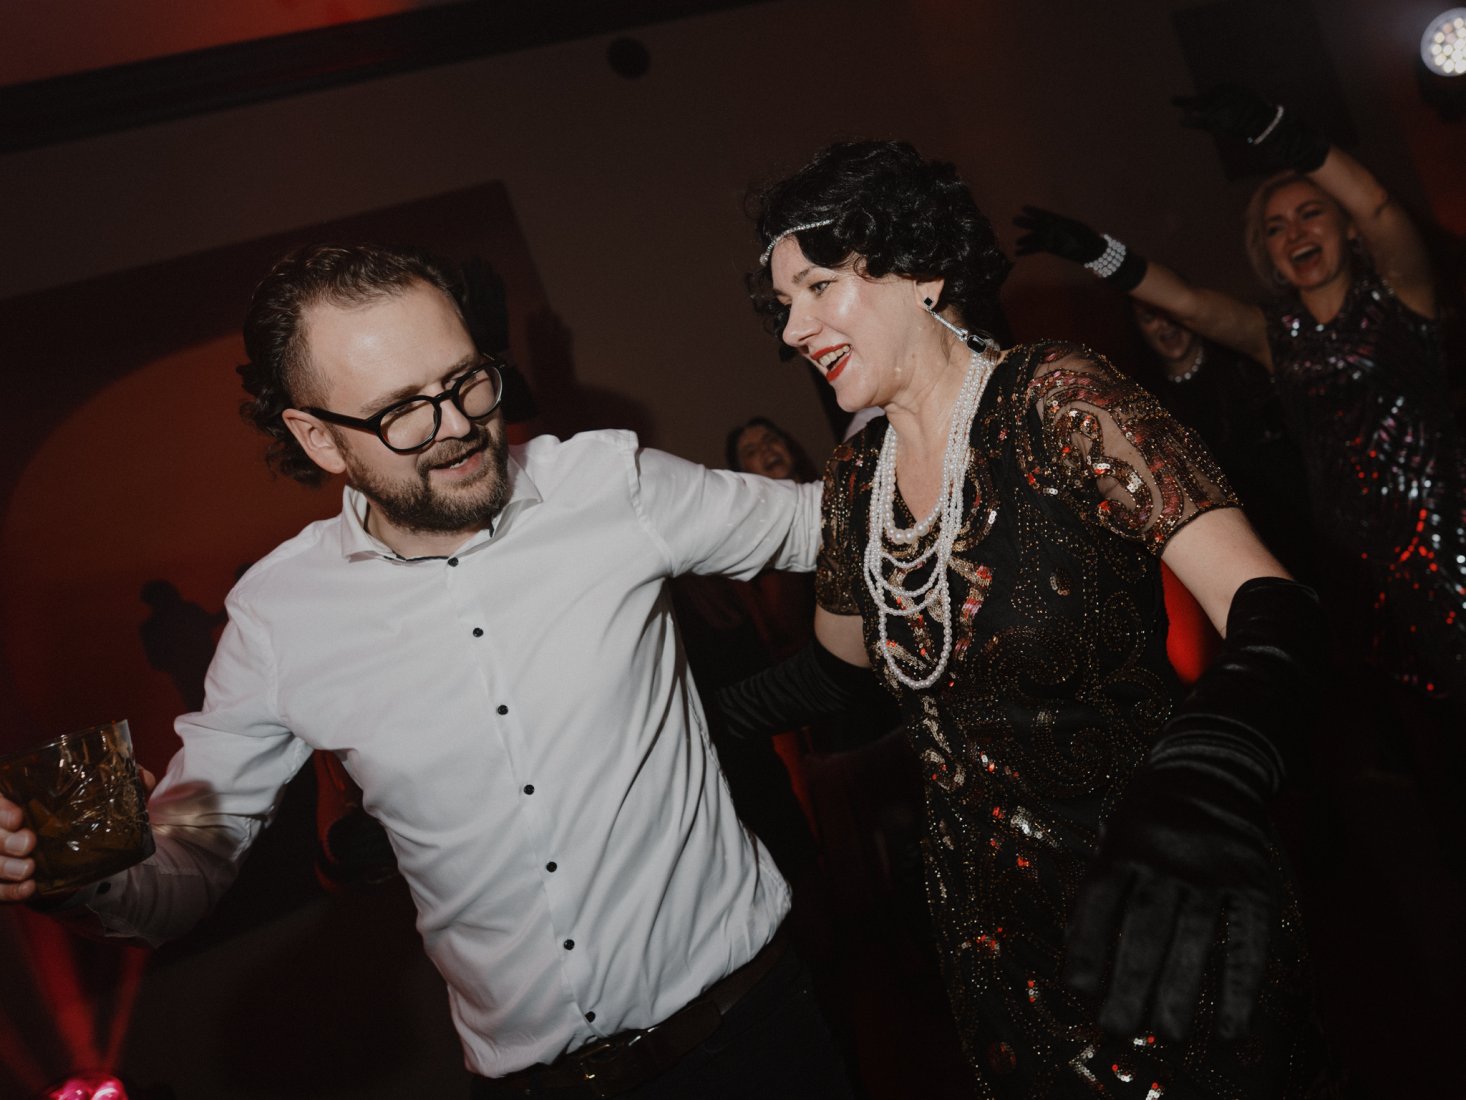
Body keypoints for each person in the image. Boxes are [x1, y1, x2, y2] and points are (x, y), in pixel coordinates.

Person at [0, 244, 855, 1099]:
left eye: (466, 380)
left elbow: (847, 521)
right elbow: (190, 860)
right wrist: (66, 869)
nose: (456, 426)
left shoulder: (607, 487)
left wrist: (911, 379)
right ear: (317, 437)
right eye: (401, 410)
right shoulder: (277, 619)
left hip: (753, 1043)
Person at [720, 140, 1334, 1097]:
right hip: (996, 943)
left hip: (1158, 891)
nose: (795, 328)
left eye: (819, 287)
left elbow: (1271, 603)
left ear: (920, 271)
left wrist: (1210, 771)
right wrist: (693, 717)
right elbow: (837, 672)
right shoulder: (853, 485)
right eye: (783, 304)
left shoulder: (1054, 399)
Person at [1014, 83, 1466, 710]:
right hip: (1365, 575)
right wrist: (1096, 250)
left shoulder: (1402, 297)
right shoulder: (1274, 335)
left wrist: (1280, 132)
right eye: (1276, 227)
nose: (1295, 232)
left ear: (1349, 228)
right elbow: (1187, 303)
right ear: (1270, 253)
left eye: (1311, 213)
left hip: (1454, 537)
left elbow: (1380, 204)